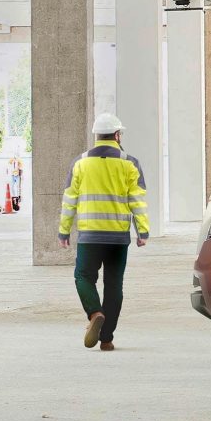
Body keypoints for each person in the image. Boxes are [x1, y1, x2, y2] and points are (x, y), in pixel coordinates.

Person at [58, 113, 150, 351]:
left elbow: (69, 201)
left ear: (96, 136)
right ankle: (106, 339)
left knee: (83, 277)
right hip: (118, 237)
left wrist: (64, 231)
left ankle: (94, 313)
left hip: (89, 235)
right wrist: (143, 231)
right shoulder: (131, 163)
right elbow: (137, 201)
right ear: (117, 135)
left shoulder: (80, 163)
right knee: (114, 285)